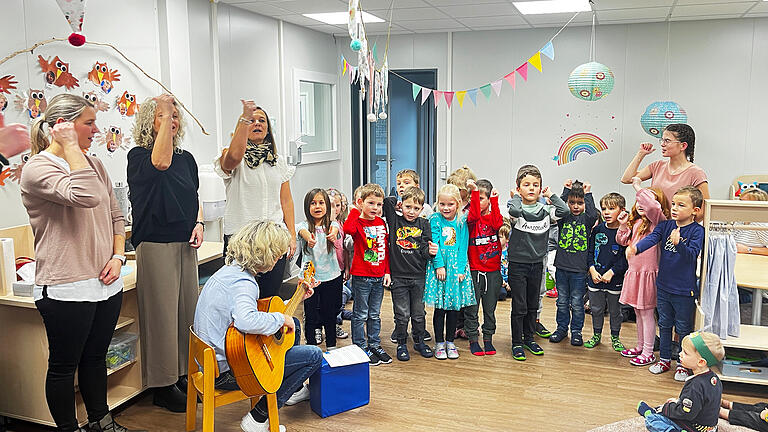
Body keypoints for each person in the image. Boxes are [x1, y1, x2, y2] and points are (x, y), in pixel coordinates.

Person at [20, 94, 143, 432]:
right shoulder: (37, 168)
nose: (95, 129)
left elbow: (116, 216)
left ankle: (101, 422)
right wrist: (71, 147)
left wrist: (118, 256)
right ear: (63, 126)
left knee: (95, 358)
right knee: (64, 366)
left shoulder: (95, 164)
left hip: (106, 282)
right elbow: (85, 195)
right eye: (88, 123)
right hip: (65, 287)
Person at [193, 220, 322, 432]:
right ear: (265, 253)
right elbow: (246, 320)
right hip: (227, 372)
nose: (280, 258)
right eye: (277, 254)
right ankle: (258, 417)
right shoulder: (244, 284)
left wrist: (297, 299)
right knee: (314, 356)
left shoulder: (228, 272)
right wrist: (280, 319)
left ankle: (293, 389)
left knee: (294, 326)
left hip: (211, 361)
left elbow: (247, 317)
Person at [127, 94, 204, 412]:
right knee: (162, 317)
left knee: (187, 313)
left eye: (174, 116)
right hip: (156, 244)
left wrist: (199, 222)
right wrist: (167, 108)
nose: (171, 120)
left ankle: (184, 374)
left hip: (186, 243)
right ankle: (162, 384)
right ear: (150, 123)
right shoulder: (139, 157)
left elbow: (194, 194)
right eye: (162, 116)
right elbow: (161, 162)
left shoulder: (186, 158)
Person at [215, 100, 297, 298]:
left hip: (274, 238)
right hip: (242, 240)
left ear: (268, 129)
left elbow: (286, 201)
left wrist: (292, 235)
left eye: (262, 120)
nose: (257, 123)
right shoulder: (231, 156)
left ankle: (266, 329)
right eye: (252, 120)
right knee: (241, 296)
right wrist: (245, 117)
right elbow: (234, 156)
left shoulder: (278, 161)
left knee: (269, 296)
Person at [628, 186, 705, 380]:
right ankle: (663, 360)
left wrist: (679, 244)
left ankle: (682, 364)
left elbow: (691, 257)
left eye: (681, 205)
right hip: (663, 286)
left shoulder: (698, 231)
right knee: (664, 324)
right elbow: (652, 239)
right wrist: (636, 248)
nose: (675, 208)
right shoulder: (665, 226)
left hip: (684, 290)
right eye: (673, 204)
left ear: (695, 210)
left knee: (683, 328)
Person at [507, 165, 569, 361]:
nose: (531, 188)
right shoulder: (514, 208)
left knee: (533, 304)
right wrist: (515, 197)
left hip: (537, 263)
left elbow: (564, 210)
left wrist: (551, 195)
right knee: (520, 306)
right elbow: (515, 211)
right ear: (518, 188)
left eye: (536, 185)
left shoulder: (545, 210)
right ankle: (516, 342)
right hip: (518, 264)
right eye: (526, 185)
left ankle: (528, 338)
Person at [617, 180, 669, 366]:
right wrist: (623, 225)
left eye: (645, 201)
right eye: (638, 201)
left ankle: (648, 352)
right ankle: (641, 347)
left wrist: (639, 188)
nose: (640, 204)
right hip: (635, 273)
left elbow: (653, 207)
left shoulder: (659, 223)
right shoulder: (638, 223)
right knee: (638, 312)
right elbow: (623, 241)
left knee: (646, 314)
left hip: (648, 275)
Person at [383, 186, 436, 361]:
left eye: (416, 208)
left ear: (422, 209)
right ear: (401, 206)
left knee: (419, 313)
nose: (411, 211)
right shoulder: (395, 221)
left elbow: (424, 252)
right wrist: (398, 202)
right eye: (408, 207)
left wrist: (430, 252)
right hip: (398, 277)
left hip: (418, 277)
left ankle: (419, 341)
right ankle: (401, 344)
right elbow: (387, 201)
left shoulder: (424, 224)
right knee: (402, 314)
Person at [424, 184, 476, 360]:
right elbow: (434, 244)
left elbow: (463, 246)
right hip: (440, 270)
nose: (446, 208)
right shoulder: (435, 219)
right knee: (440, 308)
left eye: (450, 204)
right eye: (442, 204)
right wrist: (438, 265)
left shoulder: (461, 221)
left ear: (458, 204)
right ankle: (439, 342)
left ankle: (450, 342)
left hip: (456, 271)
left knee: (454, 308)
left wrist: (461, 269)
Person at [343, 183, 392, 365]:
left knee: (374, 314)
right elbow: (347, 229)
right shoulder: (357, 223)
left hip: (379, 276)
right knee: (360, 314)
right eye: (371, 203)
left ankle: (374, 344)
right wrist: (355, 210)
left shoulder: (381, 223)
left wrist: (387, 271)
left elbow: (384, 250)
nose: (376, 208)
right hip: (362, 276)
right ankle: (360, 346)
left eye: (379, 205)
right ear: (361, 202)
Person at [637, 331, 725, 432]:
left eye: (685, 353)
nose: (680, 354)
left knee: (652, 420)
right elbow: (699, 403)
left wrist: (667, 408)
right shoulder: (714, 378)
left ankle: (654, 416)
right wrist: (677, 402)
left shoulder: (695, 385)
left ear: (701, 362)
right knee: (668, 406)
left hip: (695, 427)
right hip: (711, 428)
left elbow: (686, 413)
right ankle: (660, 411)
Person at [549, 180, 599, 346]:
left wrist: (589, 194)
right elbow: (558, 207)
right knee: (562, 301)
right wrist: (565, 190)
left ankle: (576, 332)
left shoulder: (587, 219)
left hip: (578, 270)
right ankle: (562, 328)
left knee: (577, 302)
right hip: (562, 267)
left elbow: (593, 214)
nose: (576, 206)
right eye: (572, 203)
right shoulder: (564, 217)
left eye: (580, 203)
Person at [620, 123, 709, 215]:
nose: (662, 144)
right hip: (655, 227)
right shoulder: (657, 166)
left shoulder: (696, 173)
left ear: (683, 146)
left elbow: (704, 210)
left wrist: (685, 226)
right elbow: (626, 179)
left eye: (667, 141)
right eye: (662, 140)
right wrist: (641, 154)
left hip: (678, 228)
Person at [296, 188, 342, 349]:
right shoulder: (303, 226)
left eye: (321, 203)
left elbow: (335, 229)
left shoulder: (332, 225)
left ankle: (331, 345)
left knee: (330, 312)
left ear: (327, 206)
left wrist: (332, 233)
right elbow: (301, 231)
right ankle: (311, 346)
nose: (317, 206)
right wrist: (308, 237)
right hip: (310, 280)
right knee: (310, 314)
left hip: (332, 276)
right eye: (313, 203)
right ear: (307, 207)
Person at [584, 192, 628, 351]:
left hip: (615, 280)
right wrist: (591, 268)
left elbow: (626, 258)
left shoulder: (625, 233)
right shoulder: (597, 230)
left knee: (616, 312)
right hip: (595, 278)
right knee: (596, 309)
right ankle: (596, 335)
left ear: (622, 210)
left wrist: (613, 272)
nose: (606, 212)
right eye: (604, 209)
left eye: (611, 208)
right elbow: (590, 251)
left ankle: (615, 338)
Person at [464, 179, 504, 356]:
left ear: (488, 200)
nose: (477, 202)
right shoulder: (471, 219)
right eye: (476, 198)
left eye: (481, 198)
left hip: (493, 273)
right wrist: (473, 193)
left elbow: (497, 224)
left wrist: (495, 200)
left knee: (490, 309)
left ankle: (488, 338)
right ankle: (473, 339)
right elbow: (473, 215)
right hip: (474, 271)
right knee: (472, 309)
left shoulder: (493, 216)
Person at [327, 188, 350, 340]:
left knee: (335, 299)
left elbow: (346, 249)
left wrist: (347, 267)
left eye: (337, 205)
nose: (334, 209)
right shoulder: (321, 225)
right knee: (319, 302)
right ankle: (316, 327)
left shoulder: (342, 224)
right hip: (324, 270)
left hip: (339, 268)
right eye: (331, 205)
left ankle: (334, 324)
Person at [734, 188, 768, 256]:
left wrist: (748, 249)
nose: (739, 205)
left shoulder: (761, 225)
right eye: (740, 201)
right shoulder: (740, 222)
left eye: (745, 202)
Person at [497, 219, 512, 301]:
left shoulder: (510, 252)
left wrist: (509, 283)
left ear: (507, 239)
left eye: (500, 237)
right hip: (499, 281)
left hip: (508, 280)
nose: (497, 239)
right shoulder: (494, 252)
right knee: (502, 294)